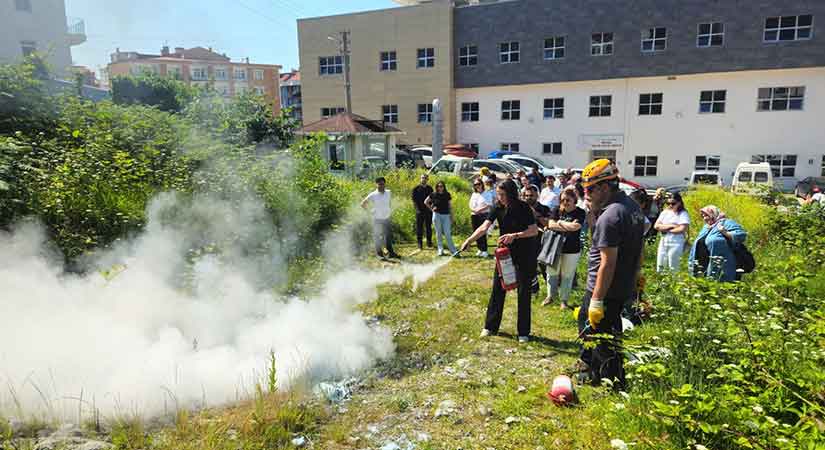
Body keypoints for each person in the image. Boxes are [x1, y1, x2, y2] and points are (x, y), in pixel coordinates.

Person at [576, 160, 645, 388]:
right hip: (622, 286)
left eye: (589, 189)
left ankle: (613, 383)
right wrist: (637, 275)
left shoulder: (610, 216)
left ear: (605, 187)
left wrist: (596, 300)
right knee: (607, 332)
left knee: (601, 337)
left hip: (604, 287)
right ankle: (595, 373)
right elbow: (640, 246)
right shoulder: (632, 207)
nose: (586, 193)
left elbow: (607, 262)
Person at [460, 180, 539, 343]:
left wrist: (515, 235)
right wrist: (469, 240)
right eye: (498, 194)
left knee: (523, 293)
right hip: (505, 254)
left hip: (524, 254)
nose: (500, 197)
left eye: (502, 195)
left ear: (511, 193)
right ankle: (490, 327)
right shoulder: (497, 207)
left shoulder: (524, 207)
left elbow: (533, 231)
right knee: (498, 289)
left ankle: (523, 332)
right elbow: (484, 227)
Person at [543, 188, 586, 309]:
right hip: (554, 247)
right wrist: (566, 225)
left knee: (567, 275)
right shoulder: (556, 210)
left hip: (572, 249)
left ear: (574, 200)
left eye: (568, 200)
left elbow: (576, 227)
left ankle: (564, 301)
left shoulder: (580, 212)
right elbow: (550, 224)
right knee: (551, 272)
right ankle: (550, 296)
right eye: (562, 200)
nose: (565, 202)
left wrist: (560, 223)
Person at [688, 205, 747, 282]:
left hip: (723, 264)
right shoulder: (706, 228)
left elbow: (741, 235)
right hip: (703, 265)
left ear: (713, 213)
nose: (704, 218)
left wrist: (725, 233)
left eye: (706, 215)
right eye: (703, 216)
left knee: (722, 284)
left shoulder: (726, 223)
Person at [522, 185, 552, 297]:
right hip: (526, 243)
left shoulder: (545, 209)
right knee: (530, 268)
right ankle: (534, 290)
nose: (529, 198)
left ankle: (551, 292)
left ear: (537, 196)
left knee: (545, 267)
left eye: (531, 195)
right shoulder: (521, 209)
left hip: (543, 242)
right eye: (526, 196)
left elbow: (548, 224)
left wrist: (536, 215)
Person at [361, 177, 400, 259]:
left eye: (382, 184)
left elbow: (389, 203)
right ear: (376, 184)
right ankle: (379, 254)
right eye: (379, 184)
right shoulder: (373, 194)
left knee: (388, 236)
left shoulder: (389, 192)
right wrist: (369, 211)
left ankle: (391, 253)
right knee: (377, 236)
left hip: (387, 218)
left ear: (385, 184)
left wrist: (389, 210)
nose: (381, 186)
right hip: (377, 219)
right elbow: (363, 204)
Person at [653, 192, 690, 272]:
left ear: (679, 203)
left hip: (676, 242)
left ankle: (674, 283)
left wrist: (664, 228)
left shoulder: (683, 213)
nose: (670, 205)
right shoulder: (665, 212)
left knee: (673, 267)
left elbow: (682, 229)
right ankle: (662, 283)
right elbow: (656, 226)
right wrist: (672, 226)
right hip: (663, 241)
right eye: (668, 203)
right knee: (660, 266)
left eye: (673, 203)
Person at [425, 181, 460, 257]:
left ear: (444, 187)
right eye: (438, 186)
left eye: (441, 186)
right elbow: (426, 202)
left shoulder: (447, 194)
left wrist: (452, 216)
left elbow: (450, 206)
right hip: (437, 215)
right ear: (436, 187)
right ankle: (440, 250)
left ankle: (453, 250)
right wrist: (431, 208)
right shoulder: (433, 194)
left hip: (446, 216)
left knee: (447, 233)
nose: (440, 188)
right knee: (439, 233)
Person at [469, 177, 491, 257]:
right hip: (474, 215)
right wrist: (473, 210)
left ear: (482, 184)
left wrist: (480, 210)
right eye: (475, 185)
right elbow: (470, 204)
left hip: (483, 215)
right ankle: (479, 249)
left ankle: (484, 250)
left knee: (482, 232)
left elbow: (489, 204)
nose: (477, 186)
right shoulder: (474, 194)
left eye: (478, 184)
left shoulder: (487, 193)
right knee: (475, 232)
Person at [411, 173, 434, 250]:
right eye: (422, 178)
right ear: (420, 179)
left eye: (425, 178)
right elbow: (414, 201)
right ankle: (419, 243)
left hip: (428, 211)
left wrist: (432, 209)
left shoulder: (430, 189)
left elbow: (432, 200)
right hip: (419, 211)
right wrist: (417, 210)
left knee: (428, 227)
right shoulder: (416, 189)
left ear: (427, 179)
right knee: (419, 228)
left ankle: (429, 242)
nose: (423, 179)